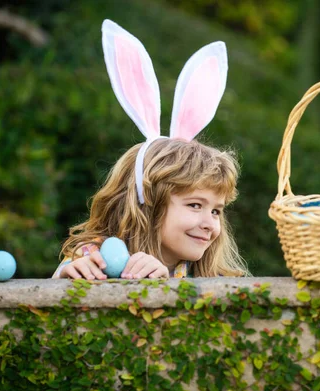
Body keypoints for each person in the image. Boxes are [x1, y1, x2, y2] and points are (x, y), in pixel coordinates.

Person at [52, 20, 249, 279]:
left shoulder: (212, 278)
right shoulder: (96, 259)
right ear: (146, 201)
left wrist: (167, 290)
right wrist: (64, 280)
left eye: (216, 210)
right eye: (194, 205)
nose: (209, 224)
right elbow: (39, 311)